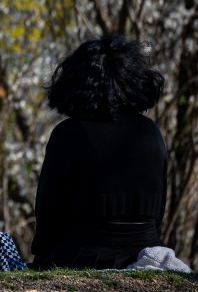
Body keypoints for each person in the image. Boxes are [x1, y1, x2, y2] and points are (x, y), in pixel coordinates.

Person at [31, 36, 168, 269]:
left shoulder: (69, 134)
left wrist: (41, 256)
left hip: (79, 254)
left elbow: (48, 211)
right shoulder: (150, 132)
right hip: (144, 250)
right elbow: (159, 212)